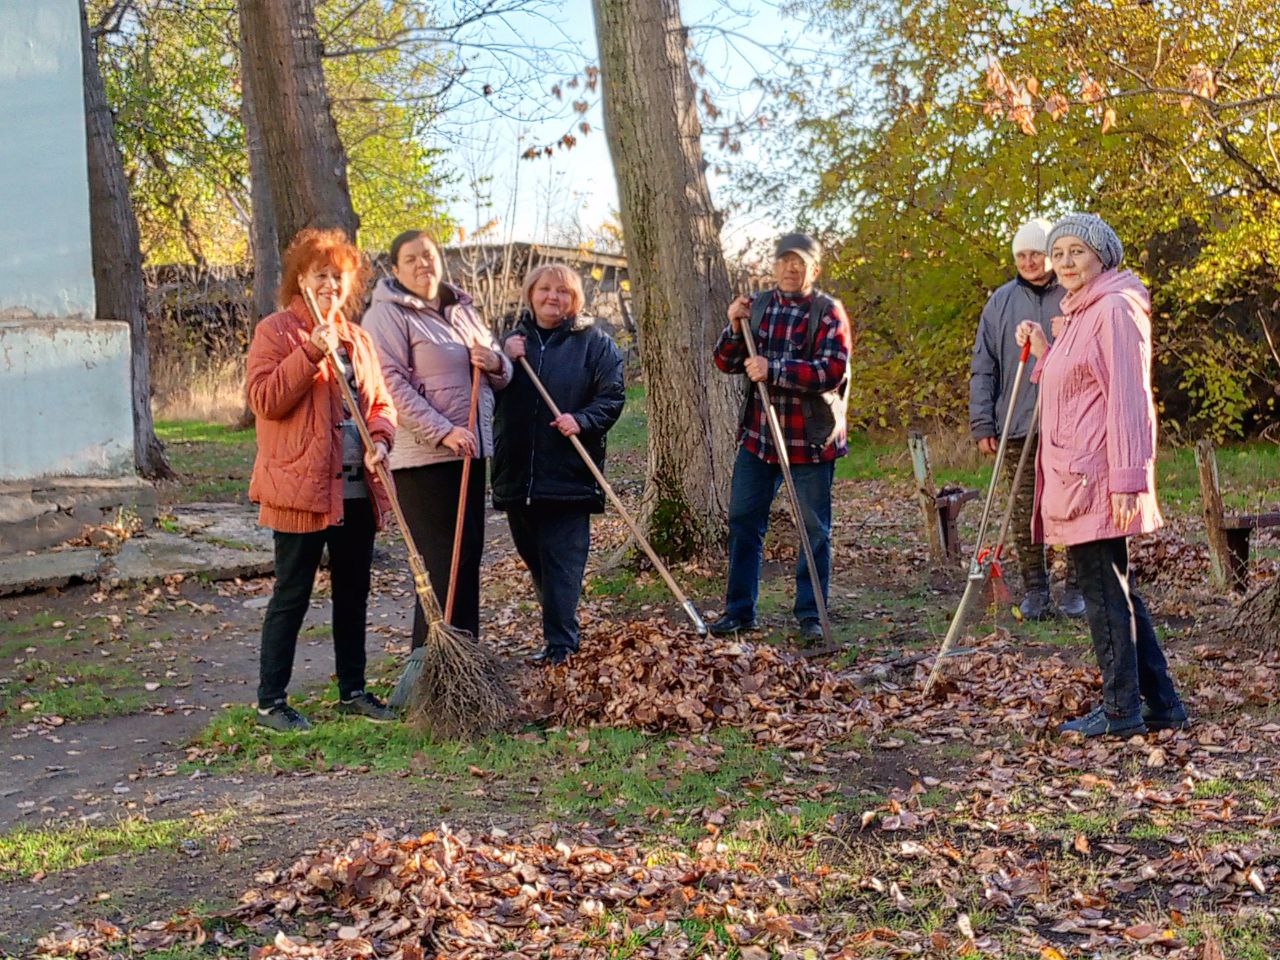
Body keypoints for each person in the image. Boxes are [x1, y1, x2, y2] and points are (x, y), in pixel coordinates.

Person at [1016, 213, 1188, 737]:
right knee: (1116, 589)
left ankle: (1120, 712)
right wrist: (1044, 351)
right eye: (1059, 253)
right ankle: (1162, 705)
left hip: (1097, 476)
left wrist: (1128, 477)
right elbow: (1076, 385)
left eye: (1077, 251)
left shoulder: (1113, 308)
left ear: (1102, 256)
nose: (1066, 262)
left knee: (1103, 592)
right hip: (1080, 474)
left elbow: (1129, 397)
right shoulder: (1082, 310)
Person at [246, 227, 397, 732]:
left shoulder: (358, 339)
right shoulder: (277, 332)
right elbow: (265, 400)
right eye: (321, 275)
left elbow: (380, 403)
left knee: (353, 594)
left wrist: (381, 439)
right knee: (292, 595)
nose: (330, 285)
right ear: (301, 279)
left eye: (338, 277)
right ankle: (271, 703)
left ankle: (353, 691)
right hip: (301, 491)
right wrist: (310, 352)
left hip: (355, 489)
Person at [363, 230, 511, 646]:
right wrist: (443, 431)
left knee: (467, 559)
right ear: (395, 270)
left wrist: (496, 362)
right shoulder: (386, 316)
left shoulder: (462, 310)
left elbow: (501, 372)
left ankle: (466, 659)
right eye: (411, 259)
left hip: (469, 450)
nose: (422, 264)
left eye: (428, 255)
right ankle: (433, 659)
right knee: (442, 564)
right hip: (424, 458)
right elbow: (388, 384)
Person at [710, 232, 854, 642]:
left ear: (814, 269)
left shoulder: (828, 311)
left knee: (813, 531)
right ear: (774, 265)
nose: (792, 268)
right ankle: (740, 611)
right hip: (759, 440)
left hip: (810, 441)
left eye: (801, 262)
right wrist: (734, 327)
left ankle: (811, 614)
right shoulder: (756, 306)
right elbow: (724, 362)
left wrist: (773, 369)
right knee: (743, 520)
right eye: (785, 260)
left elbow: (831, 371)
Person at [492, 264, 626, 665]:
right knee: (536, 561)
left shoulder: (595, 343)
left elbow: (612, 396)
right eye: (545, 289)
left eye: (563, 291)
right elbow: (484, 392)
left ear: (575, 298)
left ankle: (562, 645)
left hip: (569, 474)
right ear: (530, 294)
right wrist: (502, 360)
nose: (553, 296)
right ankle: (558, 637)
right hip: (518, 475)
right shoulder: (510, 342)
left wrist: (581, 420)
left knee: (563, 565)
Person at [970, 218, 1083, 620]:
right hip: (1017, 423)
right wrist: (983, 422)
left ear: (1050, 256)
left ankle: (1076, 587)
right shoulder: (999, 302)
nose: (1029, 262)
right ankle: (1036, 588)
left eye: (1036, 253)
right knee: (1023, 510)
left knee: (1073, 504)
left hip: (1069, 423)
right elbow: (984, 366)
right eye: (1022, 255)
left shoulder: (1073, 295)